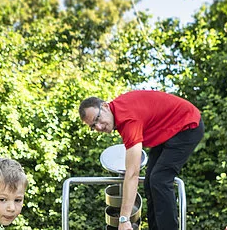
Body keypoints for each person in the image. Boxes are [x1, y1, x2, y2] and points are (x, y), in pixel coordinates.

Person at [79, 90, 204, 230]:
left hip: (187, 126)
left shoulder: (128, 119)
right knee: (150, 182)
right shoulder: (120, 112)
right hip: (166, 132)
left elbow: (132, 173)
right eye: (93, 126)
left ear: (105, 106)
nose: (99, 127)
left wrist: (124, 219)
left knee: (160, 179)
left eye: (97, 119)